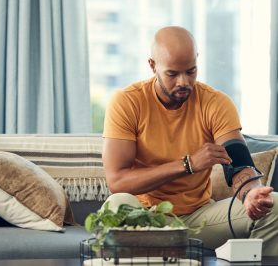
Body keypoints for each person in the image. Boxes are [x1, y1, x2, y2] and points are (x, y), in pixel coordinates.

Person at [102, 26, 278, 255]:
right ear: (153, 65)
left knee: (274, 206)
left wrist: (251, 191)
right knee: (116, 206)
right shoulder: (127, 102)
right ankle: (162, 252)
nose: (184, 82)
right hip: (144, 219)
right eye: (173, 74)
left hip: (199, 220)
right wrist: (188, 164)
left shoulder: (215, 103)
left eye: (191, 71)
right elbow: (118, 181)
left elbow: (239, 162)